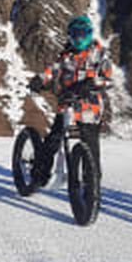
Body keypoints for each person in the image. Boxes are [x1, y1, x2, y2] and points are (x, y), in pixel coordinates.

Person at [28, 15, 112, 184]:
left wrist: (91, 83)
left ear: (89, 34)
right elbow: (52, 70)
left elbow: (107, 78)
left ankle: (92, 185)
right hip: (68, 104)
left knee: (91, 145)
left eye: (82, 33)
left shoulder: (99, 54)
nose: (79, 37)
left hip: (90, 106)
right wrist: (40, 79)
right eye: (75, 34)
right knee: (54, 139)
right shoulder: (66, 55)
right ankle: (40, 174)